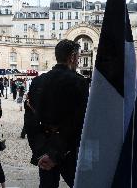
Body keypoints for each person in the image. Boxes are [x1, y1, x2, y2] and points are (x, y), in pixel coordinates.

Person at [27, 39, 89, 188]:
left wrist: (41, 152)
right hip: (68, 150)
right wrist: (55, 154)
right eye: (78, 58)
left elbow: (30, 122)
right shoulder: (79, 82)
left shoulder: (37, 82)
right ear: (72, 57)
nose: (78, 62)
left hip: (45, 149)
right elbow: (78, 123)